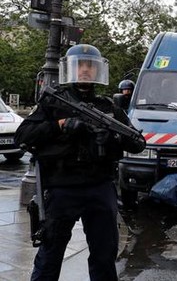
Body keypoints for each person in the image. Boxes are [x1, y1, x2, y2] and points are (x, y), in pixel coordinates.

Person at [14, 44, 146, 281]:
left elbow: (137, 143)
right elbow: (23, 136)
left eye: (89, 66)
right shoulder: (54, 102)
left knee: (104, 254)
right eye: (80, 65)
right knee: (49, 254)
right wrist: (60, 125)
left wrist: (113, 137)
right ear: (70, 69)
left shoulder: (109, 108)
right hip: (61, 188)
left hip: (99, 187)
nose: (84, 70)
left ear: (97, 71)